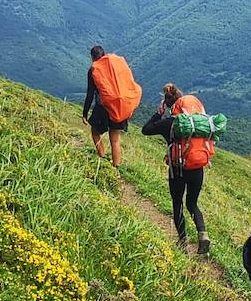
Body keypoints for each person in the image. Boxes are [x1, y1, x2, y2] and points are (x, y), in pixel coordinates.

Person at [141, 83, 211, 253]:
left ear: (169, 104)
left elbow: (146, 130)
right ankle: (203, 234)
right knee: (192, 203)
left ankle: (183, 242)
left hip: (178, 169)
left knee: (177, 203)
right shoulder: (198, 123)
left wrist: (159, 113)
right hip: (197, 168)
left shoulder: (169, 122)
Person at [82, 45, 127, 167]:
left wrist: (85, 113)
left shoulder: (93, 70)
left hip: (103, 107)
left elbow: (90, 94)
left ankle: (101, 156)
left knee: (95, 131)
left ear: (92, 58)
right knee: (115, 139)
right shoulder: (114, 66)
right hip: (119, 106)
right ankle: (116, 167)